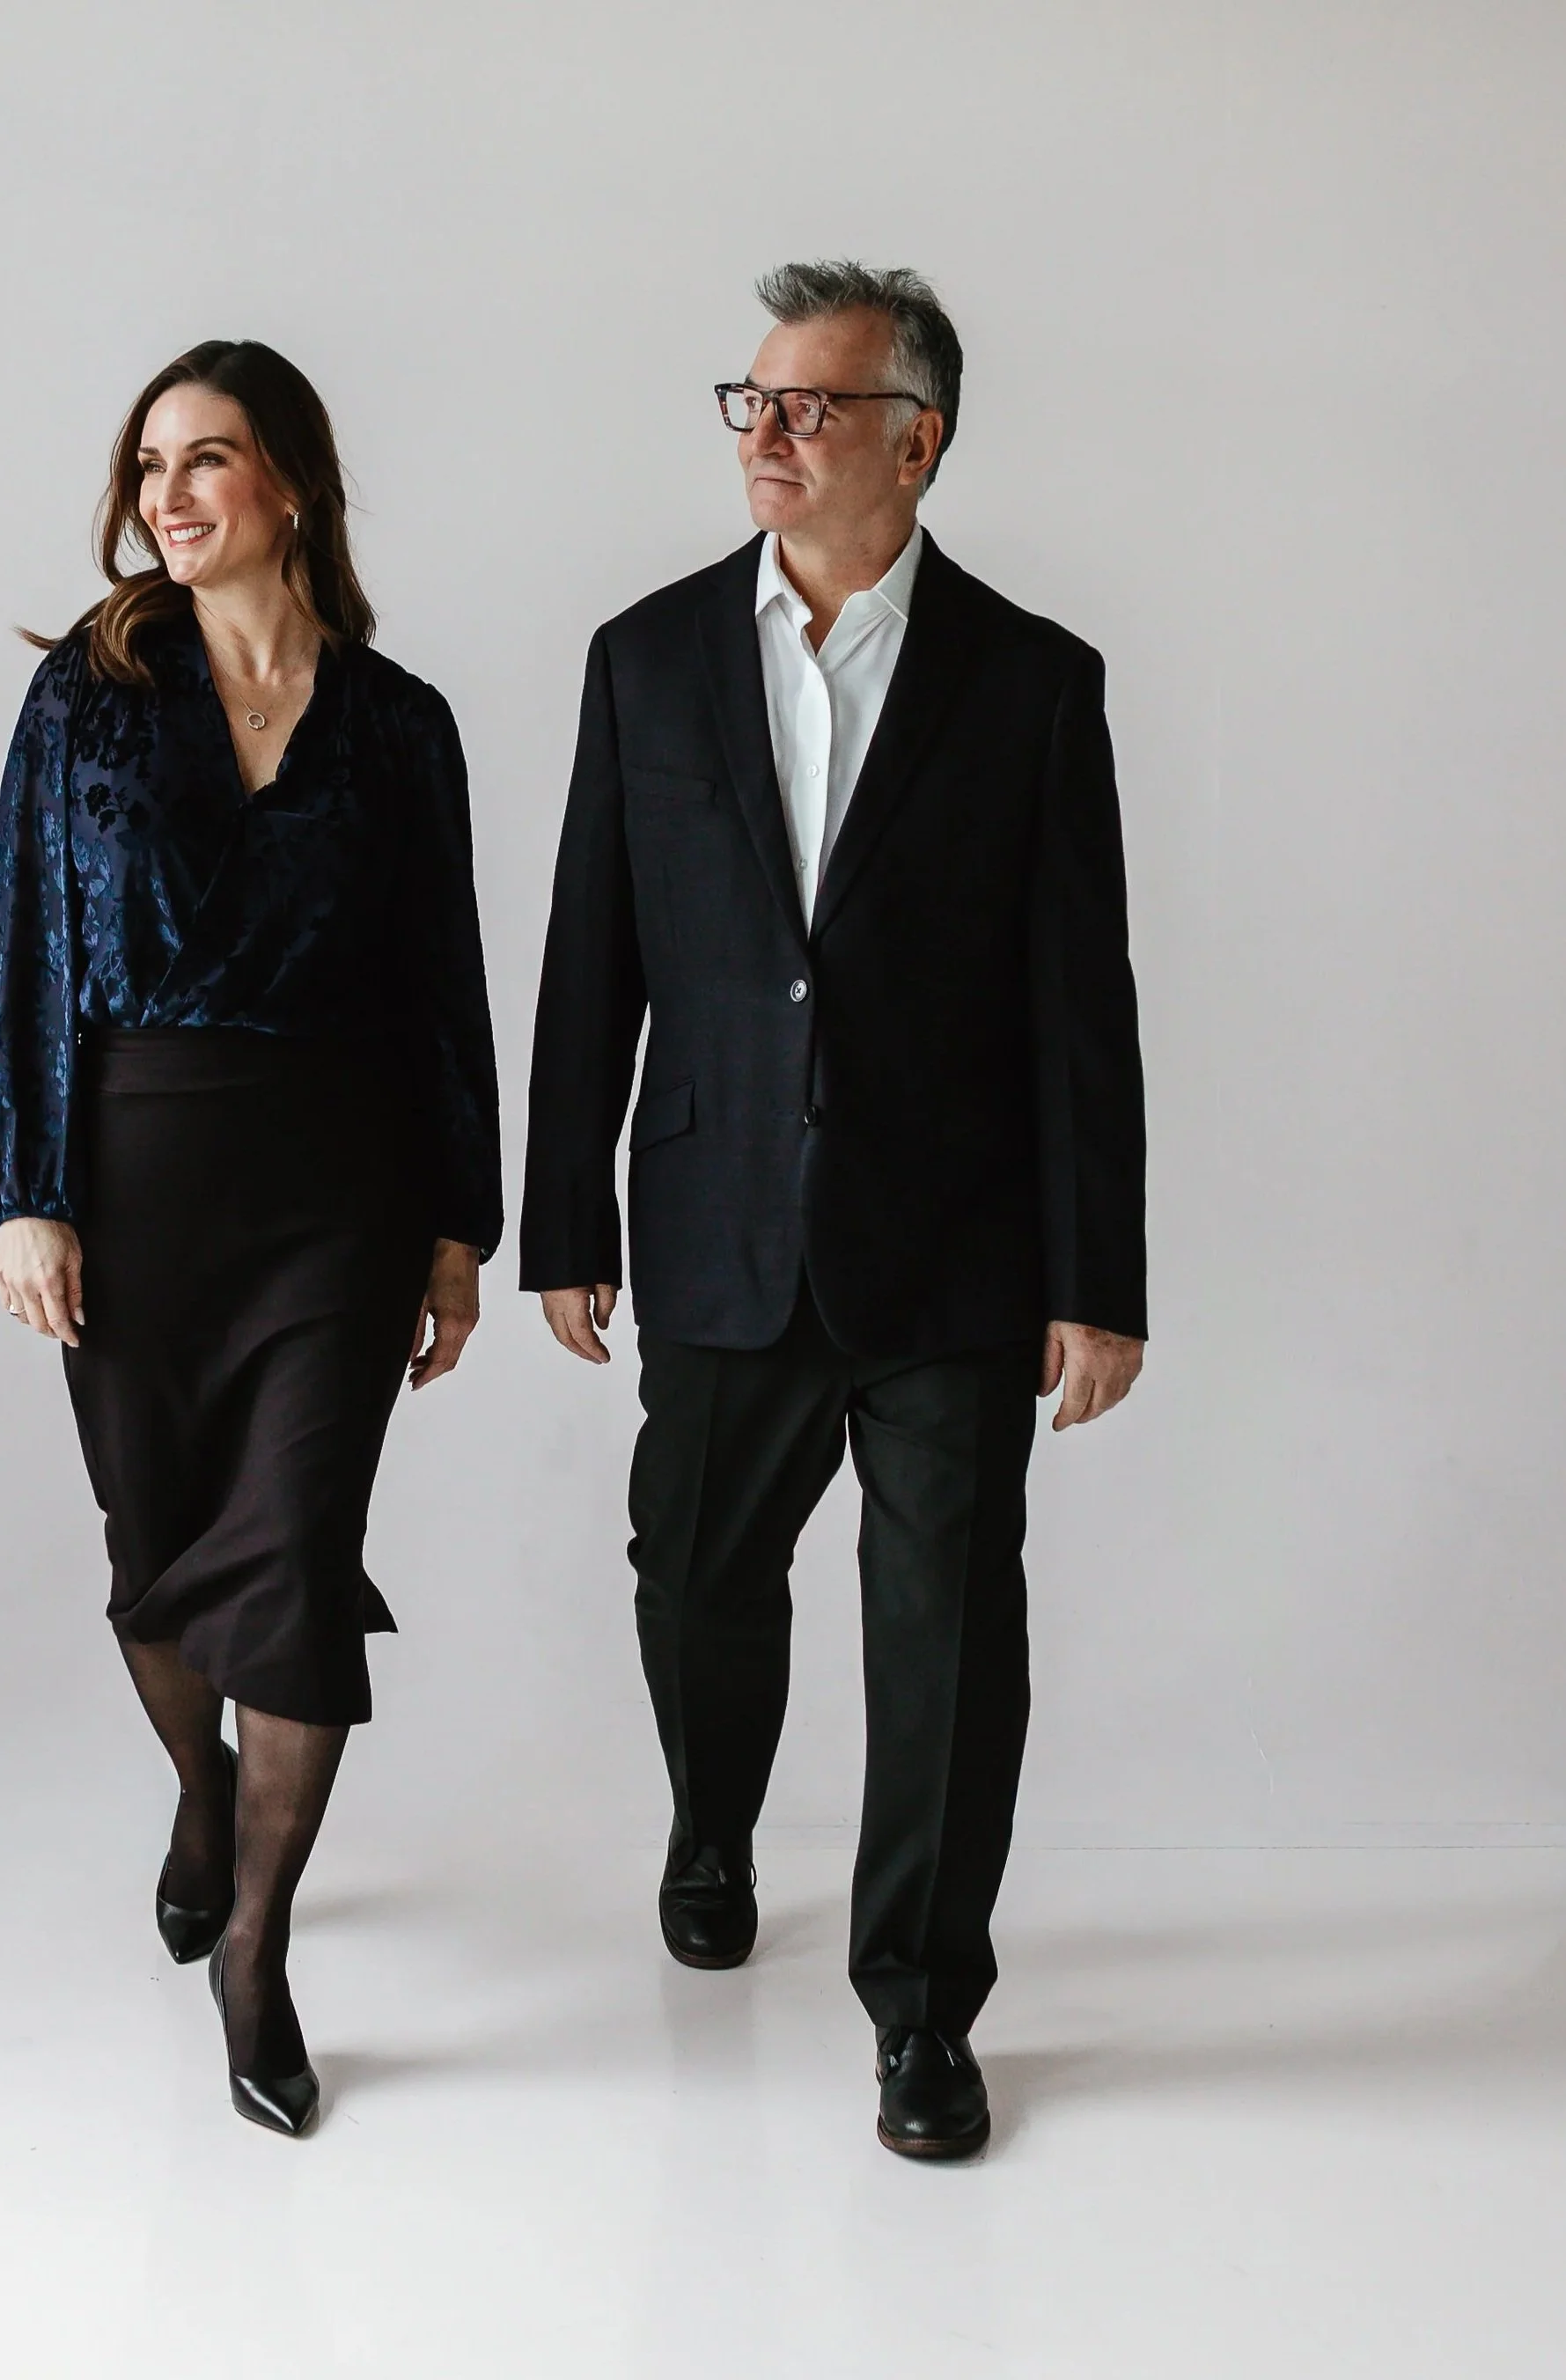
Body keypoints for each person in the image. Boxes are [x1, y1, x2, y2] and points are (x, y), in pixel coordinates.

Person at [521, 262, 1145, 2160]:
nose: (764, 435)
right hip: (714, 1219)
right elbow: (586, 956)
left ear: (914, 441)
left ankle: (921, 2008)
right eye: (751, 401)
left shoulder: (1031, 683)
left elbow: (1080, 1003)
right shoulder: (644, 658)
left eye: (805, 407)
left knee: (945, 1633)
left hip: (950, 1246)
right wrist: (560, 1213)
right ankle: (712, 1821)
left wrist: (1095, 1279)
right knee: (693, 1577)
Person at [0, 341, 501, 2138]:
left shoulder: (400, 721)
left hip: (338, 1194)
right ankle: (199, 1789)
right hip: (135, 1176)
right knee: (157, 1553)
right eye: (148, 469)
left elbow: (446, 985)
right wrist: (25, 1187)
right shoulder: (94, 695)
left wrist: (453, 1226)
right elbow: (26, 942)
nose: (170, 498)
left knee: (290, 1560)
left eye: (207, 460)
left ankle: (256, 1948)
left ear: (290, 482)